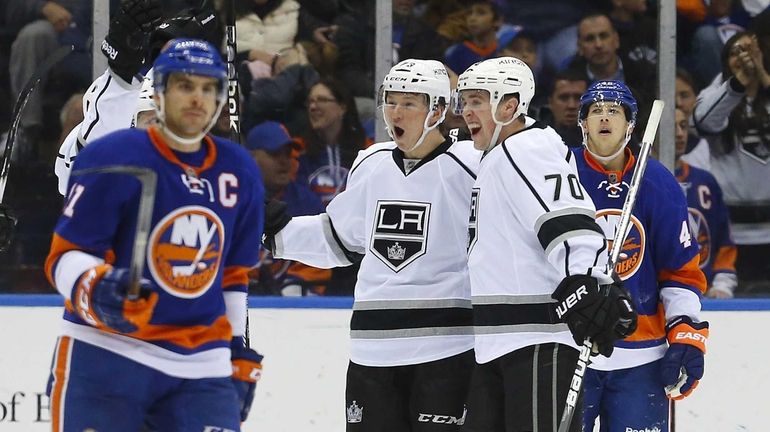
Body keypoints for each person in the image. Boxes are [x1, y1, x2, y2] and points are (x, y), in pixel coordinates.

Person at [44, 38, 265, 430]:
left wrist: (233, 348)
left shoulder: (239, 170)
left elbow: (231, 274)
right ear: (159, 93)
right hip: (107, 350)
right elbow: (65, 255)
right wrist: (94, 287)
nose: (197, 98)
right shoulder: (111, 157)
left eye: (207, 88)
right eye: (185, 86)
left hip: (200, 361)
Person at [263, 59, 480, 431]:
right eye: (390, 101)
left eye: (409, 103)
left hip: (447, 347)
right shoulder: (372, 162)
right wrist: (275, 233)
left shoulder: (474, 166)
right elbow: (339, 239)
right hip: (372, 349)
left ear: (439, 110)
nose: (395, 111)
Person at [454, 57, 636, 432]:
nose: (466, 112)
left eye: (477, 101)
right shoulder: (495, 155)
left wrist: (586, 282)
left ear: (509, 105)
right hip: (501, 342)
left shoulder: (525, 148)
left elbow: (569, 221)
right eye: (464, 102)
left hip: (537, 343)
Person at [571, 80, 709, 431]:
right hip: (570, 347)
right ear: (582, 122)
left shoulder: (658, 182)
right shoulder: (558, 174)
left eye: (613, 111)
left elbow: (680, 270)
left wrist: (687, 332)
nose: (604, 117)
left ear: (630, 124)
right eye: (596, 111)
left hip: (641, 357)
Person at [54, 1, 220, 195]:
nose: (158, 130)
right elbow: (75, 177)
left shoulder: (220, 169)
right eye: (151, 119)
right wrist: (121, 74)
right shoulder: (118, 114)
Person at [693, 31, 770, 294]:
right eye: (736, 51)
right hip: (732, 236)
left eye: (749, 50)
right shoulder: (715, 93)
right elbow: (704, 121)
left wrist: (763, 76)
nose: (743, 57)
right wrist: (738, 85)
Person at [245, 120, 329, 296]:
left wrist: (292, 291)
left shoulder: (306, 203)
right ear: (250, 157)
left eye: (288, 153)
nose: (284, 161)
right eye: (274, 154)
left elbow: (321, 259)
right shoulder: (233, 200)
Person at [675, 107, 738, 299]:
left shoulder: (705, 181)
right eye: (671, 127)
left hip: (704, 292)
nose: (679, 134)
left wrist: (722, 284)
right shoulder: (638, 181)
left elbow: (723, 239)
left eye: (683, 126)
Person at [543, 69, 589, 146]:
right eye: (564, 97)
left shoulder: (601, 137)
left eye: (579, 98)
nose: (571, 105)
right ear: (550, 102)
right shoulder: (536, 137)